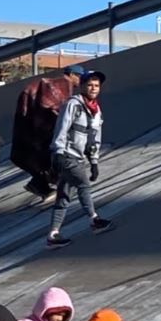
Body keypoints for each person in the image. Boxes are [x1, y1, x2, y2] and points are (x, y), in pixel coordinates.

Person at [46, 69, 111, 249]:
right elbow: (62, 126)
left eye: (96, 85)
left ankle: (53, 235)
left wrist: (94, 161)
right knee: (83, 184)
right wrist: (58, 151)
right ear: (82, 86)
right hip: (66, 154)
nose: (93, 88)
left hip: (79, 156)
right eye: (89, 84)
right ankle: (94, 220)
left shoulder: (97, 111)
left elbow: (95, 137)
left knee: (63, 197)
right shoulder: (72, 104)